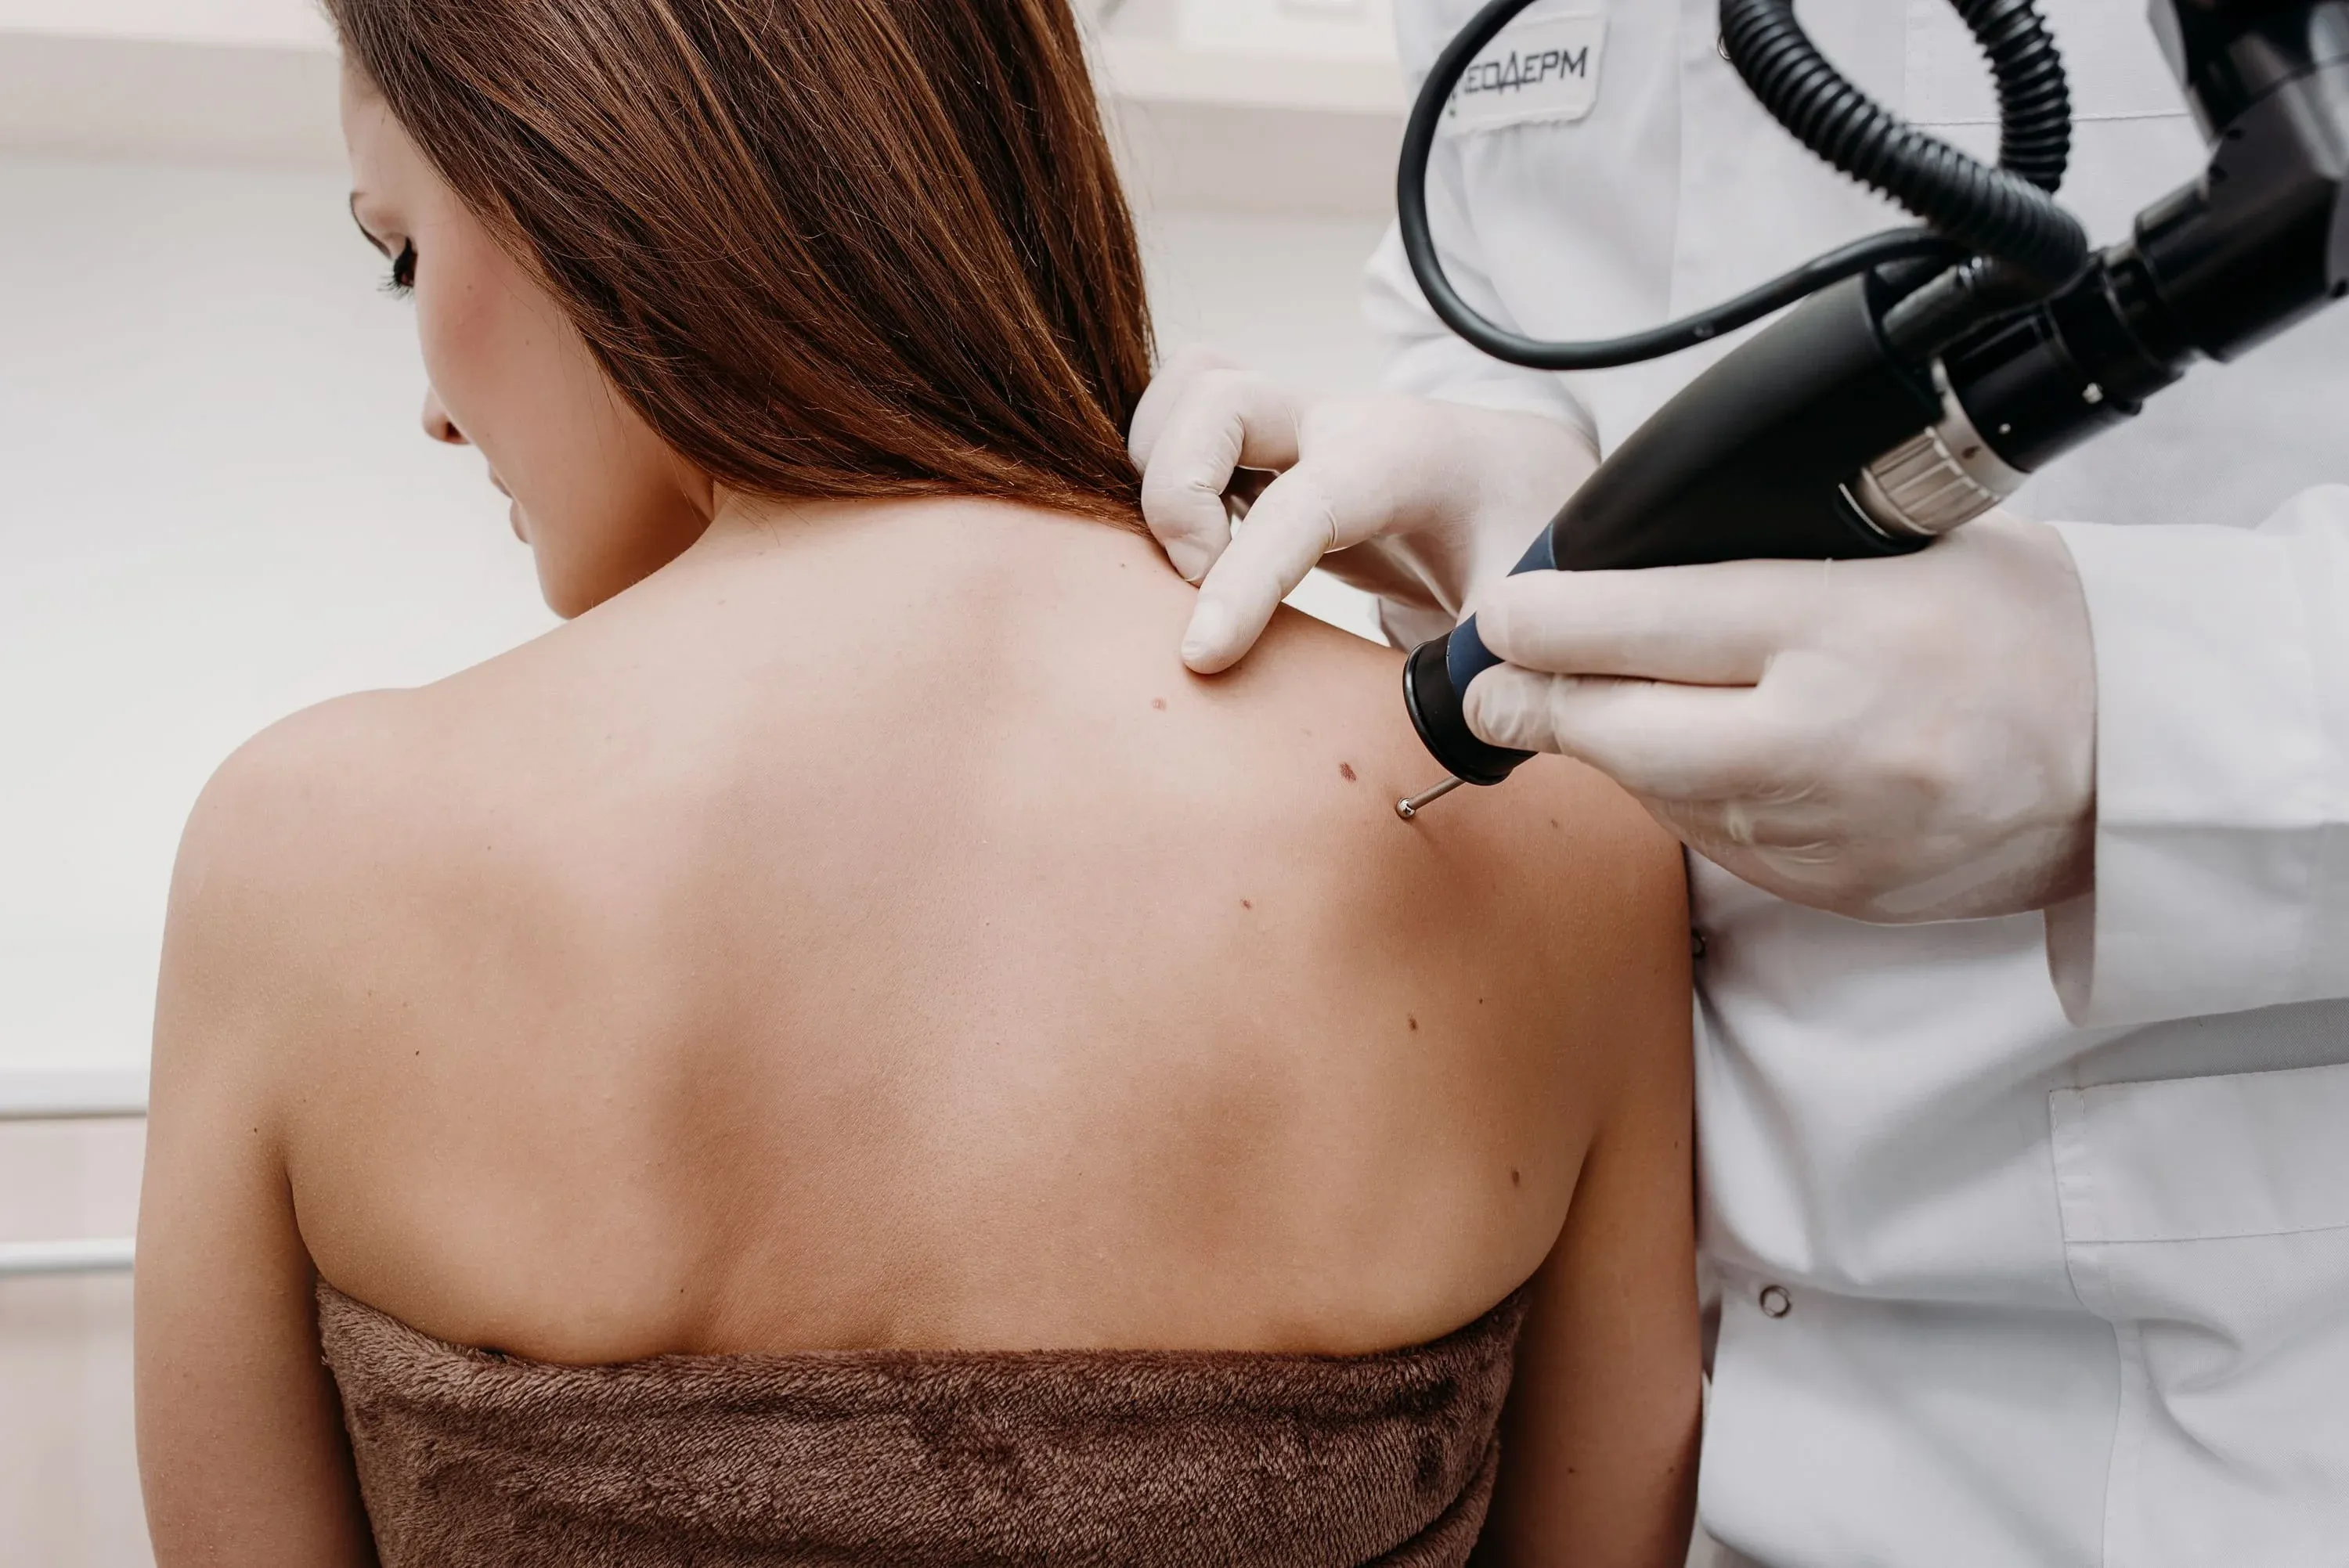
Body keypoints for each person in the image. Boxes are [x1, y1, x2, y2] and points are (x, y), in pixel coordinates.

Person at [132, 2, 1704, 1564]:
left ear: (573, 166)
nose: (428, 400)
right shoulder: (1552, 825)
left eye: (405, 249)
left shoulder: (305, 858)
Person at [1129, 2, 2349, 1563]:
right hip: (1697, 1427)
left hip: (2252, 1424)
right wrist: (1522, 479)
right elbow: (1519, 286)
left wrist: (2146, 721)